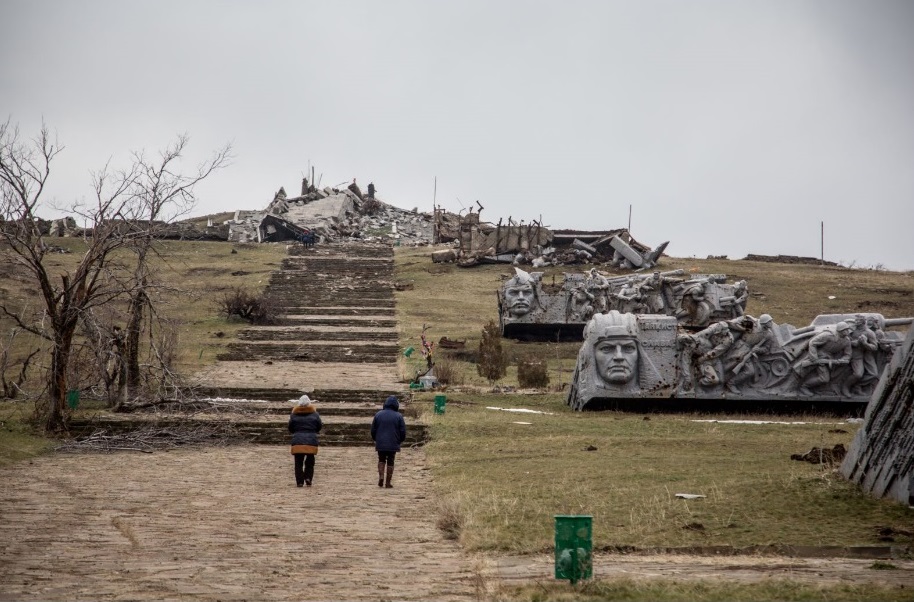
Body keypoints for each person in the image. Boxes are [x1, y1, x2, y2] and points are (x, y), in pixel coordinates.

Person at [793, 321, 853, 396]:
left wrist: (843, 360)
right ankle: (803, 387)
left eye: (848, 329)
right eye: (846, 330)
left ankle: (805, 386)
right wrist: (814, 358)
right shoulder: (828, 335)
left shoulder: (846, 341)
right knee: (801, 373)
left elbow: (848, 354)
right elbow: (812, 342)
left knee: (824, 379)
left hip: (828, 359)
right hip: (819, 356)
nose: (848, 331)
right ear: (840, 331)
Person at [371, 395, 407, 488]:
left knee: (381, 459)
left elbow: (373, 430)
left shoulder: (378, 414)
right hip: (393, 442)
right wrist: (400, 440)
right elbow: (402, 431)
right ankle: (388, 482)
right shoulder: (398, 416)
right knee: (391, 461)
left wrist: (376, 439)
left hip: (381, 442)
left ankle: (381, 476)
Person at [289, 394, 322, 487]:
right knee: (310, 461)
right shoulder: (315, 415)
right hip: (311, 440)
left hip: (298, 440)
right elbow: (319, 426)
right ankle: (308, 478)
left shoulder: (294, 415)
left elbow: (290, 428)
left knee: (298, 463)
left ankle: (299, 481)